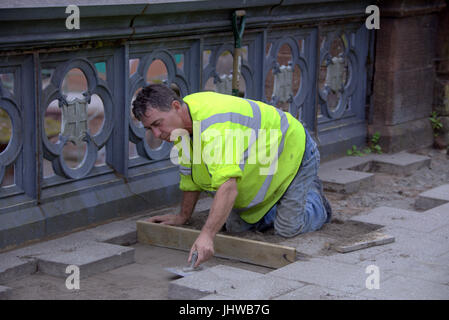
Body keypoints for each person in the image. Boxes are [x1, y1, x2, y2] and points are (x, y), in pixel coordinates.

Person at [132, 84, 332, 267]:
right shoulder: (181, 126)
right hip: (264, 163)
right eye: (150, 128)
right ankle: (278, 202)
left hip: (294, 152)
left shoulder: (215, 126)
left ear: (176, 106)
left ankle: (317, 202)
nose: (157, 134)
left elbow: (228, 187)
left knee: (288, 228)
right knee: (236, 227)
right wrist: (183, 217)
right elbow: (189, 175)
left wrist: (207, 235)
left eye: (158, 124)